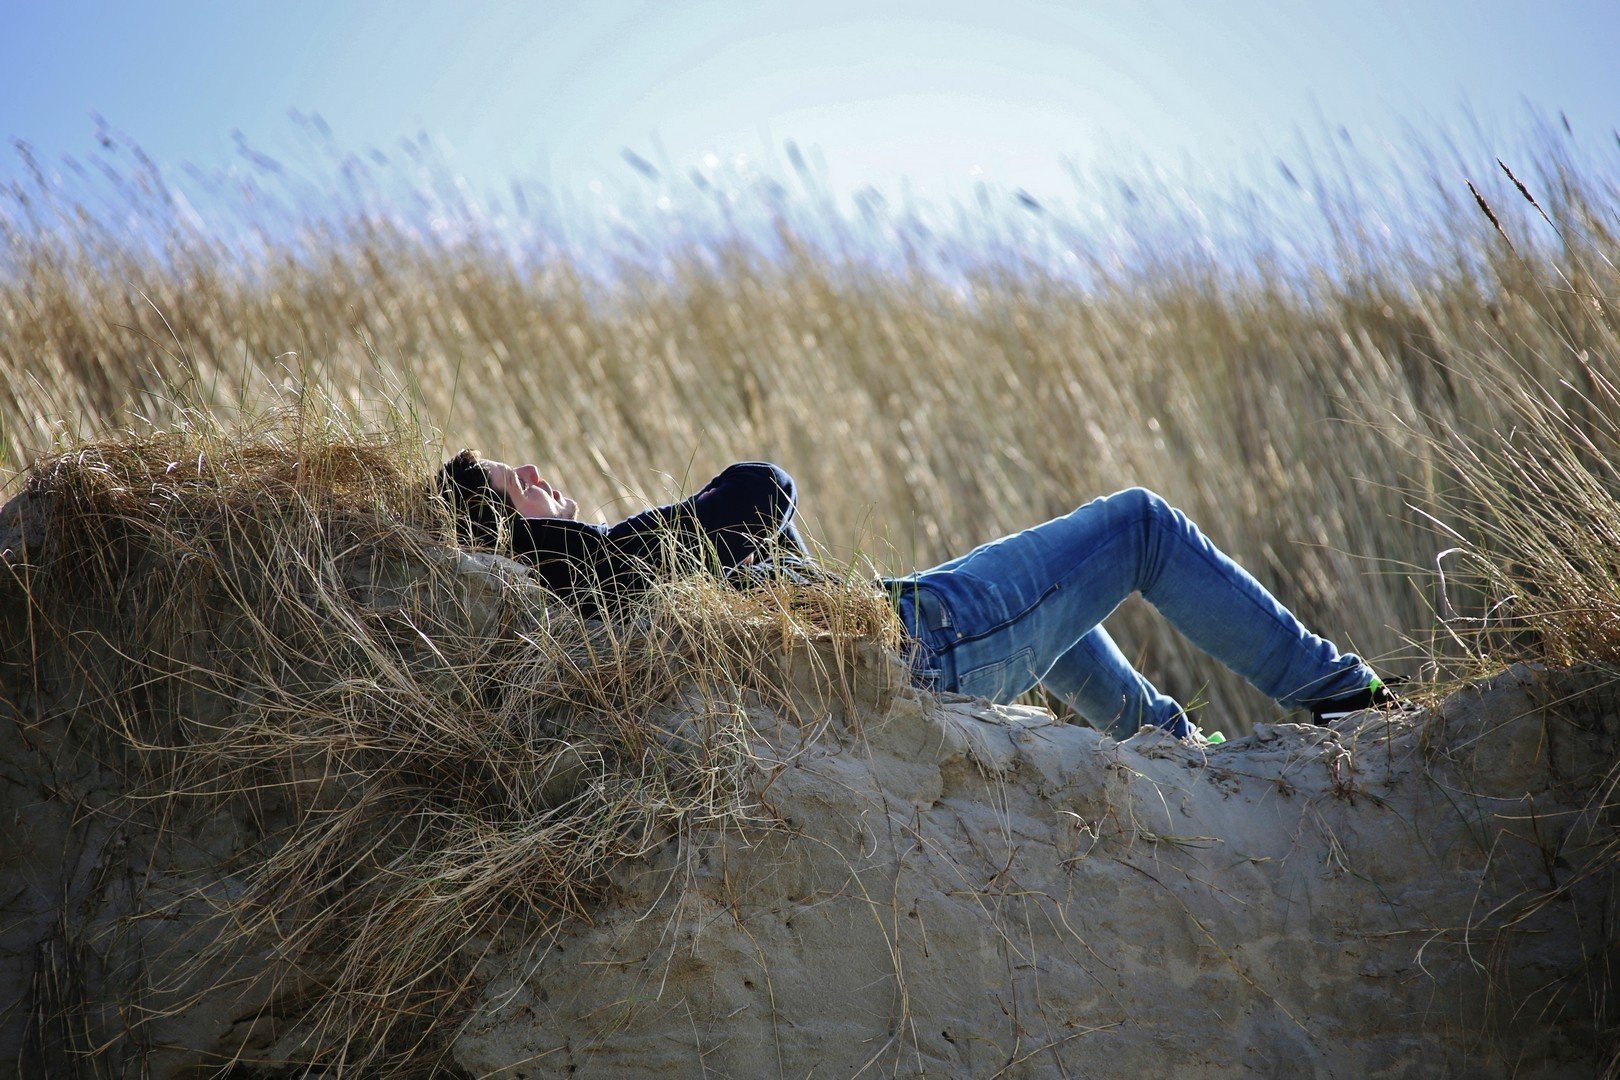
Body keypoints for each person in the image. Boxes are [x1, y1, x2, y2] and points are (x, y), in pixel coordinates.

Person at [439, 451, 1397, 741]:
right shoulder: (599, 565)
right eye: (507, 474)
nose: (533, 464)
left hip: (906, 623)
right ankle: (1345, 699)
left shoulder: (623, 579)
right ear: (515, 528)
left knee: (1054, 617)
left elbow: (770, 548)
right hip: (919, 643)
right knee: (1141, 525)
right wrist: (592, 535)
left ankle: (1173, 745)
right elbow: (763, 486)